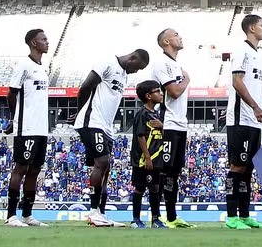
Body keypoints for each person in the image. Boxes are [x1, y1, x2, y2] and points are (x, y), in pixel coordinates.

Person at [74, 49, 150, 227]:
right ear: (132, 58)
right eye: (137, 68)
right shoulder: (107, 62)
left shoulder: (123, 74)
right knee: (101, 162)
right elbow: (86, 87)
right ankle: (93, 212)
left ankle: (101, 212)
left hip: (106, 127)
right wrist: (79, 112)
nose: (135, 72)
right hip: (92, 121)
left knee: (106, 167)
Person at [225, 14, 262, 230]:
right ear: (251, 28)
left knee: (249, 168)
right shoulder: (242, 50)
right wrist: (254, 107)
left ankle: (244, 215)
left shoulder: (257, 54)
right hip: (241, 118)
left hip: (253, 122)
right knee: (237, 166)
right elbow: (237, 81)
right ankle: (231, 216)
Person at [5, 29, 50, 228]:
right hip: (26, 126)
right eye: (43, 39)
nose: (47, 42)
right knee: (21, 168)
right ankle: (11, 216)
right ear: (33, 42)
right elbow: (11, 94)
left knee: (35, 170)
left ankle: (27, 215)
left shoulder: (42, 67)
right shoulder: (23, 65)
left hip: (41, 127)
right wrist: (15, 119)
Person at [150, 29, 195, 228]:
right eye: (176, 34)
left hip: (179, 125)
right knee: (164, 171)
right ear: (166, 41)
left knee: (174, 172)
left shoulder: (176, 65)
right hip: (167, 124)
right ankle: (157, 217)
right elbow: (174, 92)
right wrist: (187, 79)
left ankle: (171, 217)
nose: (181, 36)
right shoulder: (162, 63)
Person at [129, 80, 166, 229]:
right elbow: (140, 136)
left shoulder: (157, 114)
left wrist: (163, 126)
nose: (161, 93)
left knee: (155, 188)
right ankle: (135, 219)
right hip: (143, 159)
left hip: (157, 158)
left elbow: (162, 135)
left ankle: (155, 219)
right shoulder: (142, 114)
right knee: (140, 187)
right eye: (157, 91)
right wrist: (148, 157)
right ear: (148, 96)